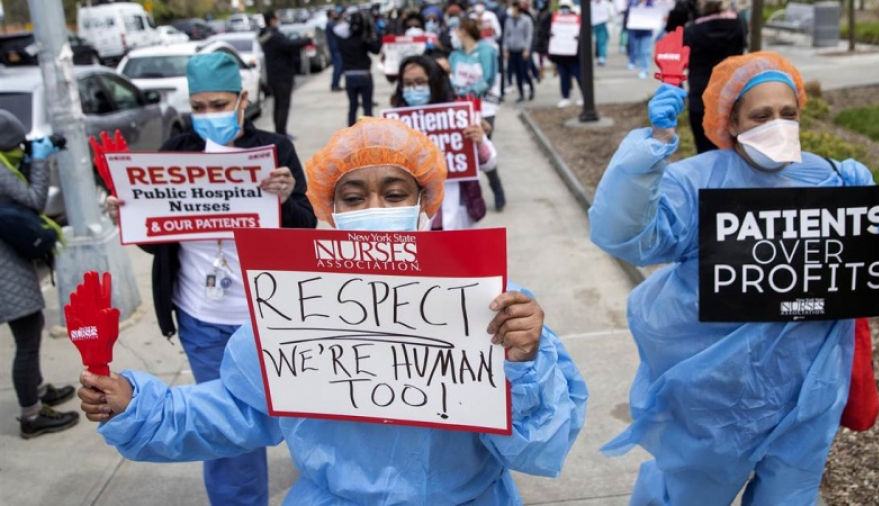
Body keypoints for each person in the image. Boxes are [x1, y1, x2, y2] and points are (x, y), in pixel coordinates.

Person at [78, 117, 589, 504]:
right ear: (331, 209)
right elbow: (239, 411)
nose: (375, 208)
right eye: (354, 195)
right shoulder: (295, 305)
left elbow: (540, 448)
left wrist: (524, 363)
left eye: (393, 193)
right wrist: (138, 406)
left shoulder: (492, 301)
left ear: (424, 202)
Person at [588, 52, 879, 505]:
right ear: (730, 122)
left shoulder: (834, 180)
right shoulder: (695, 183)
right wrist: (653, 145)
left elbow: (856, 274)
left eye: (788, 113)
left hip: (806, 397)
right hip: (715, 400)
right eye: (762, 115)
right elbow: (624, 234)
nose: (778, 123)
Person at [105, 52, 317, 506]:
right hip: (202, 320)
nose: (208, 115)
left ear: (242, 100)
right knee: (223, 431)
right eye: (198, 107)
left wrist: (282, 198)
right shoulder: (174, 154)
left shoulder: (276, 150)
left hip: (268, 319)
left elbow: (306, 229)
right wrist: (130, 214)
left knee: (295, 417)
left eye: (218, 104)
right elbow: (156, 242)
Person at [0, 111, 79, 440]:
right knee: (28, 340)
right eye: (17, 144)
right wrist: (39, 160)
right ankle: (31, 416)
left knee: (32, 331)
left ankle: (39, 389)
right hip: (5, 271)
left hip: (10, 263)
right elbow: (34, 200)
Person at [391, 54, 496, 230]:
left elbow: (490, 163)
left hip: (455, 213)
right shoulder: (394, 123)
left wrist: (478, 143)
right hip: (414, 220)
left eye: (420, 82)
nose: (413, 88)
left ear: (434, 82)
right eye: (407, 84)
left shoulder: (459, 116)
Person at [449, 17, 507, 212]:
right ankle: (473, 196)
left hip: (484, 108)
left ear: (464, 31)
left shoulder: (487, 51)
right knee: (465, 152)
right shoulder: (455, 55)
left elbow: (489, 78)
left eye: (457, 29)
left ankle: (496, 187)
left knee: (482, 149)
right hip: (459, 108)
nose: (454, 34)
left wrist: (467, 92)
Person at [684, 0, 746, 153]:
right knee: (733, 150)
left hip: (701, 96)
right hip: (731, 95)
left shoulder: (691, 31)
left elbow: (686, 60)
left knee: (704, 151)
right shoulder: (739, 25)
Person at [259, 10, 312, 138]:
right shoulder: (274, 36)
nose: (278, 20)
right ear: (271, 20)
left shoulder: (265, 35)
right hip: (282, 76)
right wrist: (307, 39)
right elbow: (290, 45)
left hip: (274, 76)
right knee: (283, 106)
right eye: (276, 18)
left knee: (278, 105)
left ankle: (279, 131)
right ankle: (281, 133)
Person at [336, 8, 382, 126]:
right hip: (364, 75)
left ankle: (351, 131)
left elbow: (337, 31)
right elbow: (376, 49)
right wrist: (375, 33)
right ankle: (368, 131)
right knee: (367, 106)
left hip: (349, 76)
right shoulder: (363, 39)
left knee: (353, 106)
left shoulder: (342, 40)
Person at [548, 0, 584, 108]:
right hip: (561, 55)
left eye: (566, 7)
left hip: (574, 55)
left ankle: (584, 95)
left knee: (579, 76)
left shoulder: (577, 20)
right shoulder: (556, 20)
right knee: (564, 77)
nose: (564, 10)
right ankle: (565, 96)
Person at [503, 1, 535, 102]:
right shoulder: (509, 20)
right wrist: (505, 49)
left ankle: (531, 89)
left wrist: (527, 49)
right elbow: (506, 35)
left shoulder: (526, 20)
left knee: (524, 71)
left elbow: (529, 35)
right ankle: (521, 94)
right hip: (512, 49)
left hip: (522, 49)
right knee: (517, 73)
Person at [625, 0, 655, 79]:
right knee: (638, 51)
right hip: (636, 31)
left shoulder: (650, 4)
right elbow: (628, 15)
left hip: (647, 32)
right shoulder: (633, 4)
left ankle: (644, 69)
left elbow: (654, 16)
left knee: (644, 51)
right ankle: (640, 66)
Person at [591, 0, 616, 65]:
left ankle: (602, 57)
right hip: (593, 25)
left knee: (602, 42)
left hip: (603, 24)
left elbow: (611, 14)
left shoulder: (606, 3)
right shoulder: (591, 4)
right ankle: (598, 56)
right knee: (595, 42)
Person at [326, 8, 344, 92]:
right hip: (335, 49)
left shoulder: (332, 23)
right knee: (338, 67)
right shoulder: (330, 24)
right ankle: (334, 85)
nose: (336, 14)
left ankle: (336, 84)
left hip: (337, 48)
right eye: (334, 13)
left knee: (339, 67)